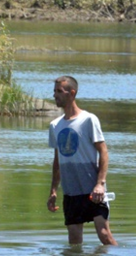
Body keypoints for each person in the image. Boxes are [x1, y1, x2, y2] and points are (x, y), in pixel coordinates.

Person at [47, 76, 117, 246]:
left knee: (104, 234)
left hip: (93, 190)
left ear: (72, 93)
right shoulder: (55, 125)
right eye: (54, 91)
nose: (55, 95)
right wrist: (54, 190)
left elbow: (104, 152)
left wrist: (100, 183)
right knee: (74, 242)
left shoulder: (88, 120)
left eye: (59, 91)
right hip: (71, 191)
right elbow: (57, 161)